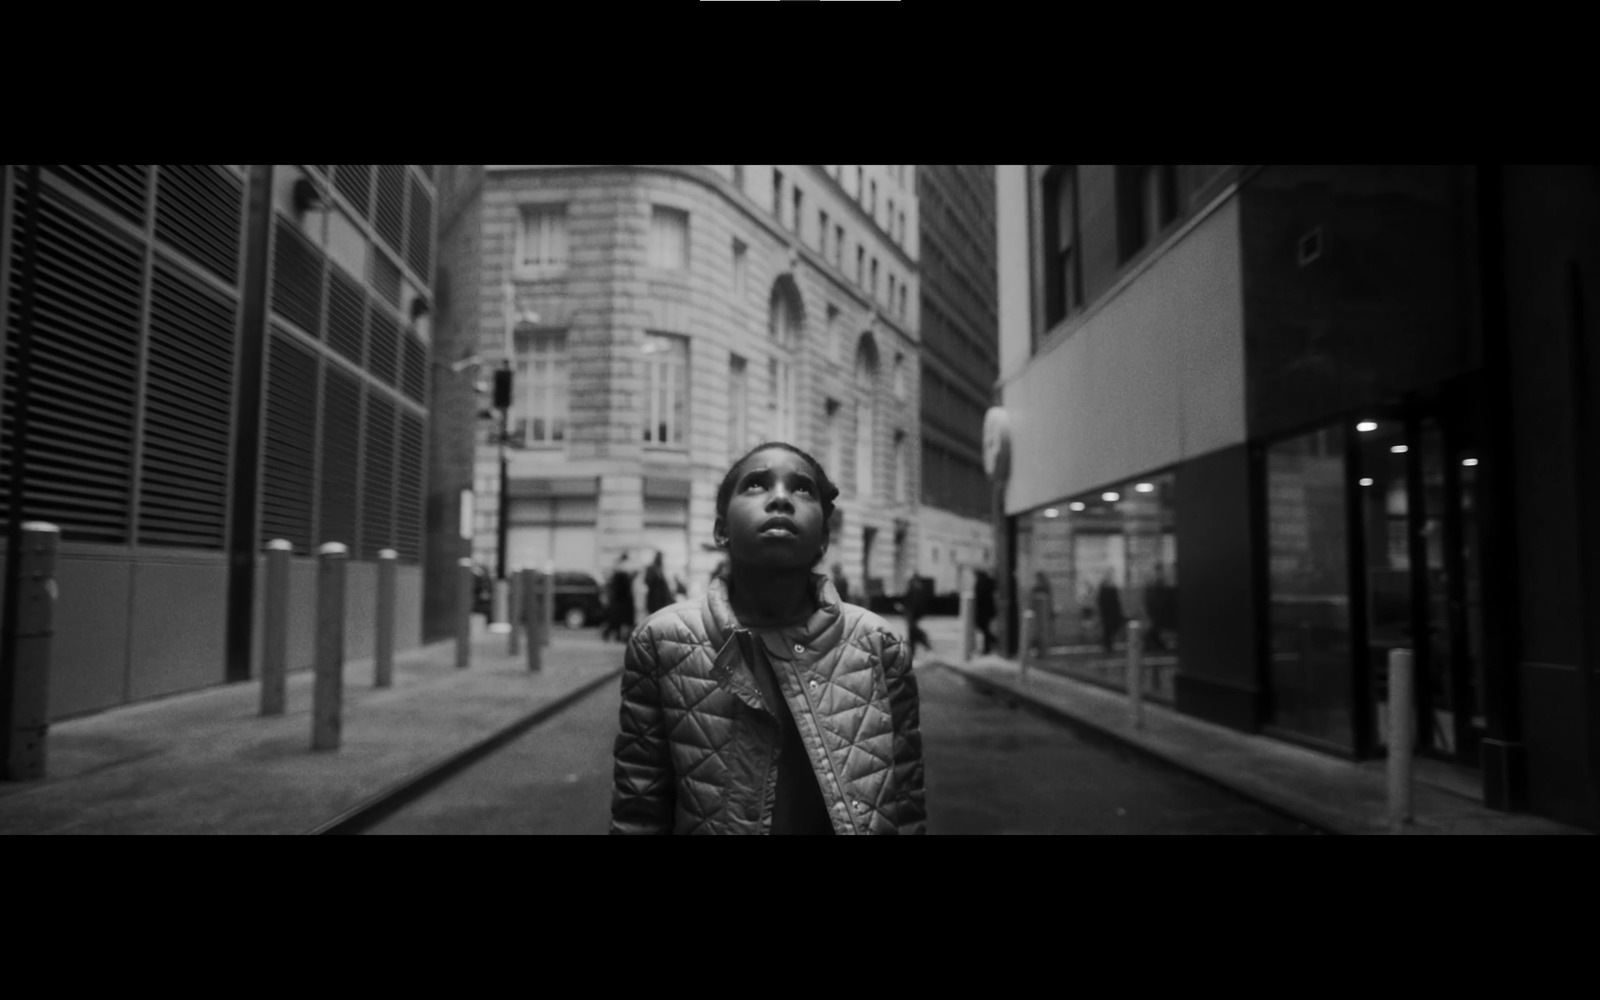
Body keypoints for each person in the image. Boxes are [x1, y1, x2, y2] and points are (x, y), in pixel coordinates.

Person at [610, 441, 926, 835]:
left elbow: (906, 807)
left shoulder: (881, 646)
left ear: (824, 538)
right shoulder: (660, 642)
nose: (780, 498)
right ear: (721, 530)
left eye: (802, 489)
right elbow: (639, 812)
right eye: (756, 485)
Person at [602, 553, 636, 643]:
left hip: (618, 600)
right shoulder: (622, 572)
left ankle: (617, 636)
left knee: (617, 620)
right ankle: (616, 636)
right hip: (621, 601)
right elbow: (622, 589)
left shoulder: (618, 569)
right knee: (618, 620)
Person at [902, 572, 933, 654]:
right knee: (912, 632)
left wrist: (909, 612)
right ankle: (921, 645)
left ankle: (923, 643)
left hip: (912, 614)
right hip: (913, 614)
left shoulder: (915, 590)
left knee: (913, 631)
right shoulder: (916, 589)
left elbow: (913, 603)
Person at [1096, 573, 1125, 654]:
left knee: (1108, 631)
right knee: (1108, 631)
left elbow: (1116, 602)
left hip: (1110, 614)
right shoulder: (1106, 591)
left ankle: (1107, 646)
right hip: (1108, 614)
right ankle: (1107, 646)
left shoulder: (1107, 590)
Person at [973, 569, 996, 655]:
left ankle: (989, 644)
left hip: (982, 611)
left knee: (983, 629)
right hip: (987, 610)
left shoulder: (981, 583)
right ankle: (991, 641)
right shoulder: (988, 582)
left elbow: (979, 597)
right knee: (984, 629)